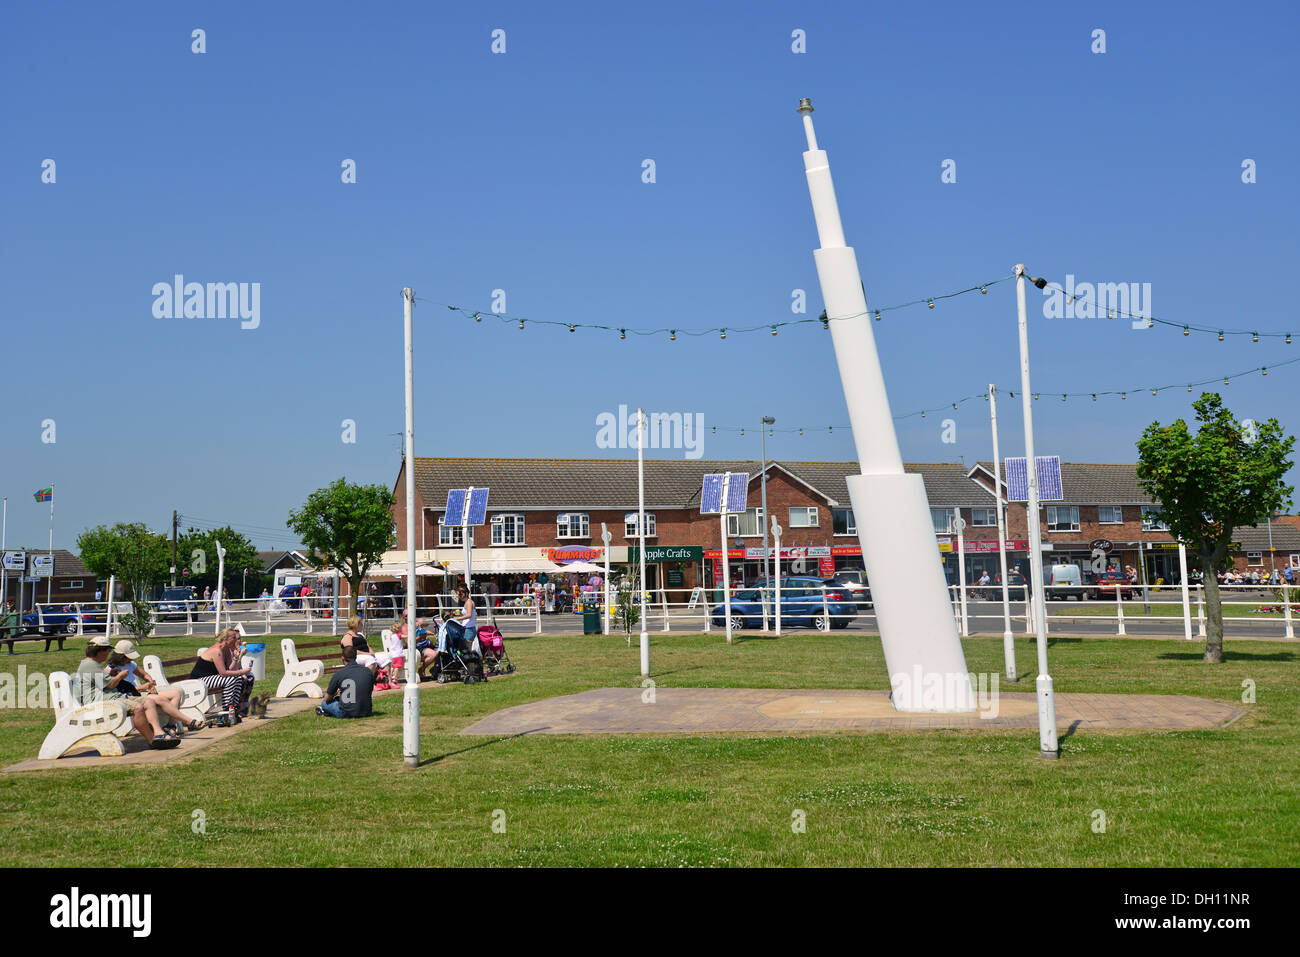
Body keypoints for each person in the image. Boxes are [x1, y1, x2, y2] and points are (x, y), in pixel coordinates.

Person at [76, 638, 195, 747]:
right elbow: (111, 684)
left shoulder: (93, 665)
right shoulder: (90, 665)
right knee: (138, 707)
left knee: (149, 701)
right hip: (103, 701)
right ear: (99, 651)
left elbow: (100, 683)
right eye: (107, 651)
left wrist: (111, 675)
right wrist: (120, 676)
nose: (108, 654)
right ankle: (152, 740)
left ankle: (159, 733)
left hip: (114, 696)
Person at [191, 628, 254, 721]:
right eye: (234, 638)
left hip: (212, 678)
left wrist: (236, 658)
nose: (236, 640)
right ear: (225, 639)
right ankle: (227, 711)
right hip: (199, 681)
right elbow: (223, 673)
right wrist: (242, 671)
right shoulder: (217, 651)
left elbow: (230, 669)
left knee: (238, 678)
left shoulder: (227, 650)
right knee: (231, 679)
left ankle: (234, 709)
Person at [317, 646, 374, 718]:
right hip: (367, 711)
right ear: (356, 657)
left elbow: (327, 698)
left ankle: (326, 711)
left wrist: (335, 694)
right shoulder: (367, 671)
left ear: (342, 658)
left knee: (324, 703)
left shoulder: (339, 674)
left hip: (345, 713)